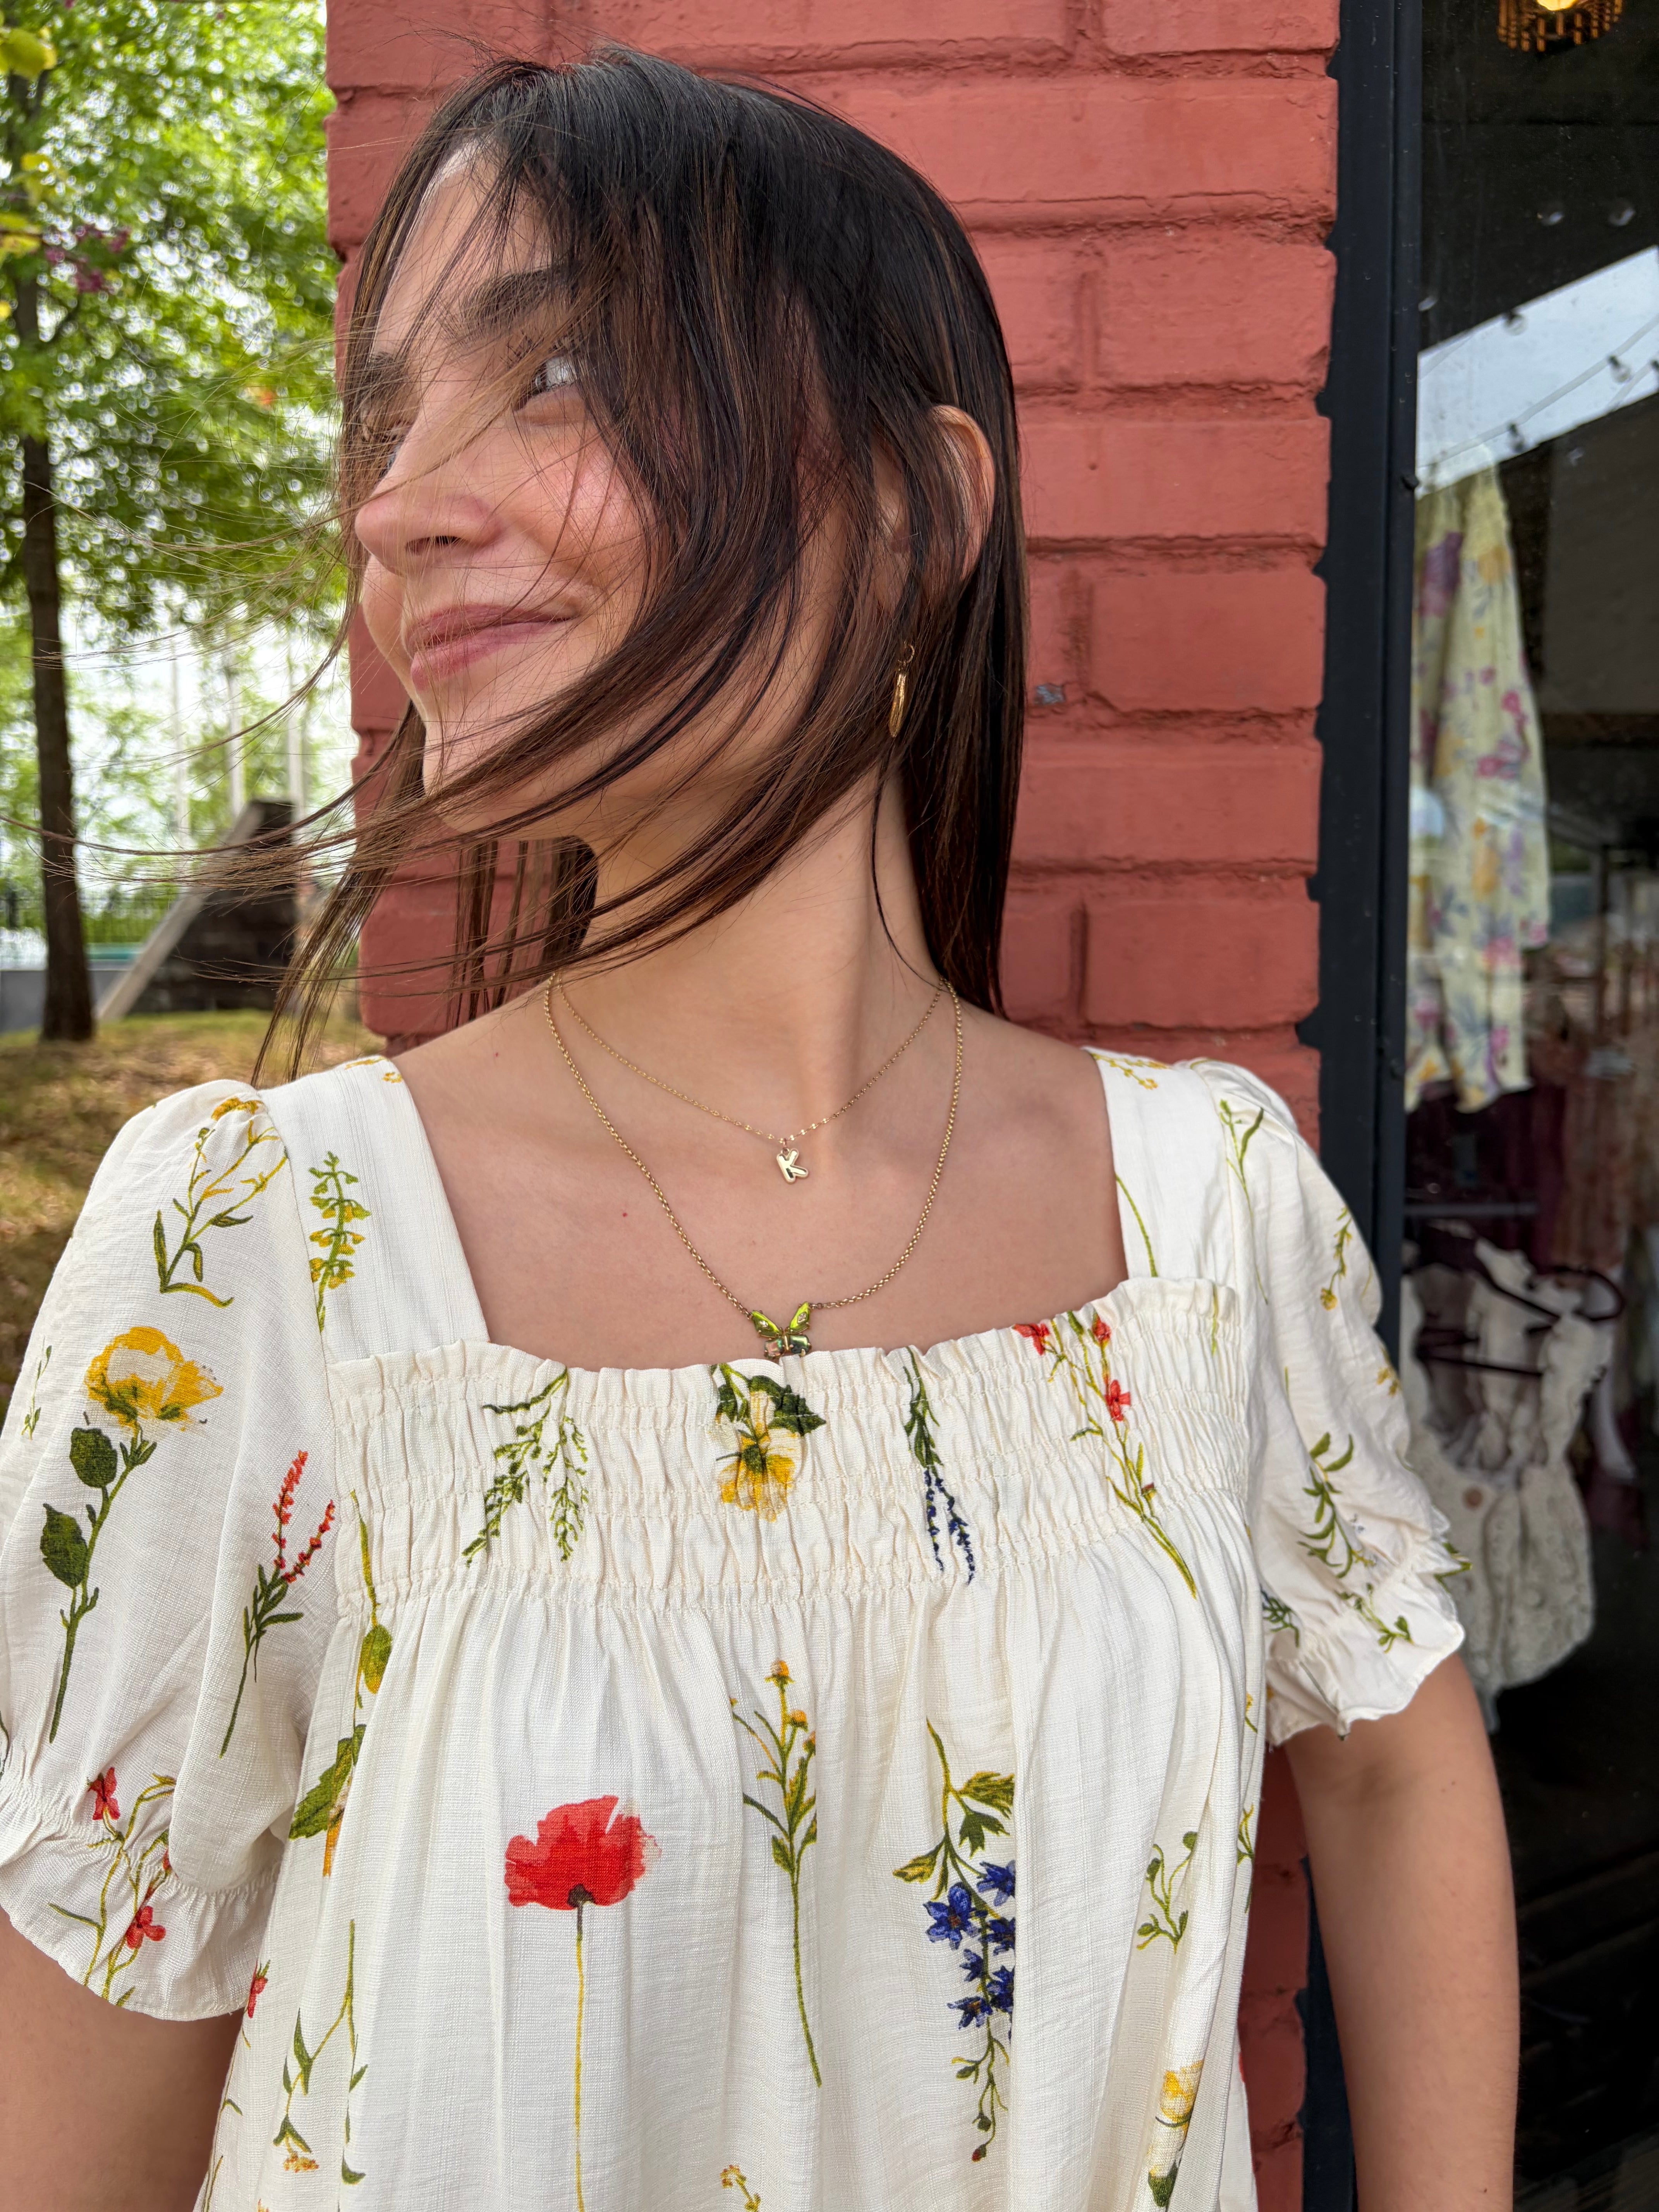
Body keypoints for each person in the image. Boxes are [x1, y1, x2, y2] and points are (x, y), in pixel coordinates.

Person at [0, 47, 1516, 2212]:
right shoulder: (258, 1252)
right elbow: (82, 2080)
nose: (400, 504)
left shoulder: (1205, 1216)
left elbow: (1390, 1761)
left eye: (556, 376)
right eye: (388, 422)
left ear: (914, 508)